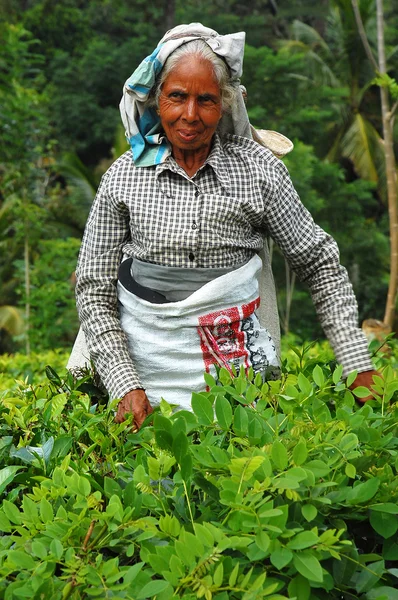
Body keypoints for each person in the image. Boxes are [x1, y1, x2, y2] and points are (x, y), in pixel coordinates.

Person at [74, 23, 378, 429]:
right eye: (177, 97)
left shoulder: (258, 171)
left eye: (206, 100)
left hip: (239, 386)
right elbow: (94, 287)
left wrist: (356, 362)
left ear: (225, 104)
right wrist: (124, 384)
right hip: (139, 375)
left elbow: (319, 263)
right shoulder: (124, 176)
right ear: (157, 99)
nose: (190, 115)